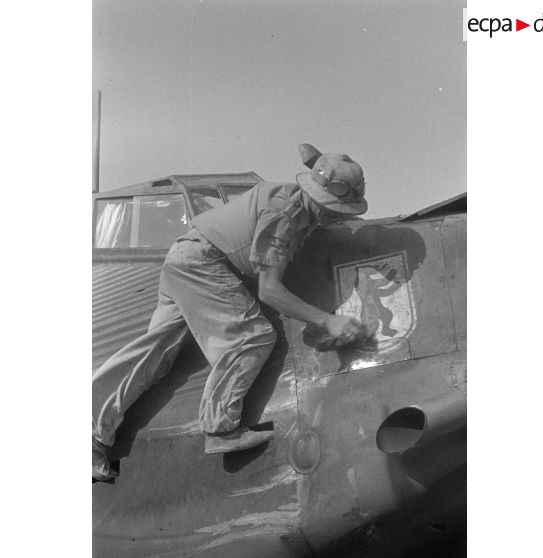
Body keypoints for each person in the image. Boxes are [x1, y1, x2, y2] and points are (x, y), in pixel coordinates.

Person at [92, 144, 368, 481]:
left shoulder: (296, 204)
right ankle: (221, 428)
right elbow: (269, 289)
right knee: (252, 337)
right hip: (202, 261)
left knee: (155, 352)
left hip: (184, 255)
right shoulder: (286, 214)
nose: (339, 215)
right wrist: (327, 319)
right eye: (335, 208)